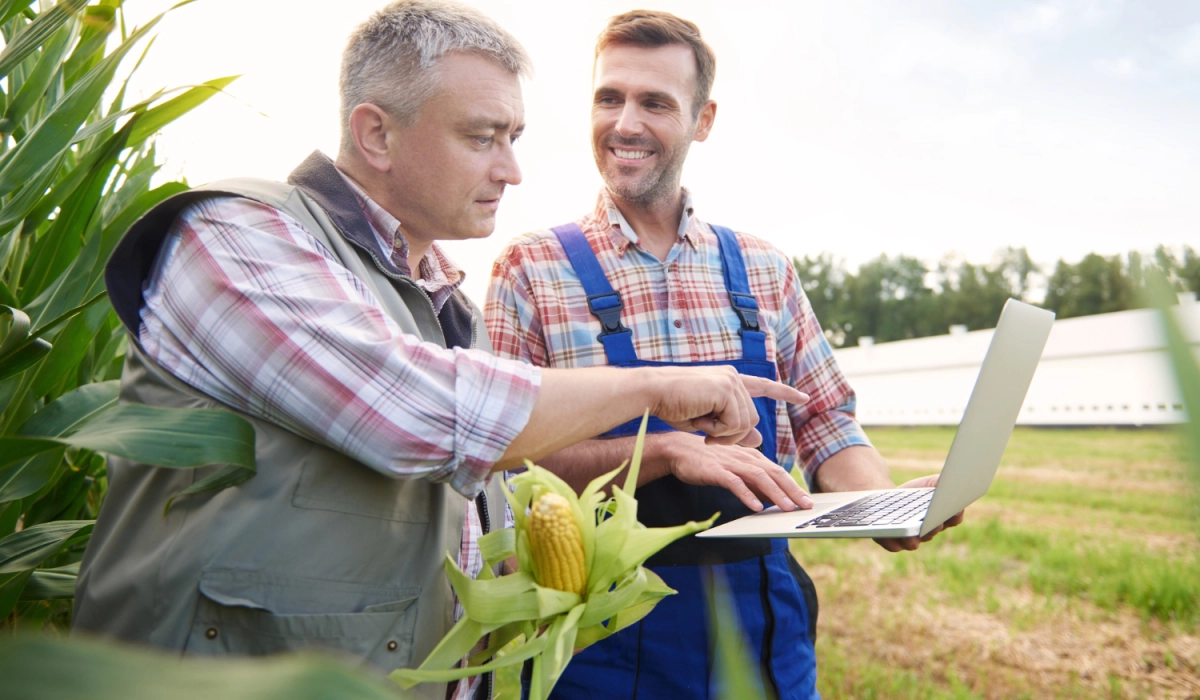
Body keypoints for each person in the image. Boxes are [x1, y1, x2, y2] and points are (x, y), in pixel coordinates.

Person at [72, 4, 808, 700]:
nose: (511, 170)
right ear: (377, 136)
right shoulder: (236, 238)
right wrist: (653, 394)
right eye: (483, 137)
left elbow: (480, 502)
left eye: (514, 138)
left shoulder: (445, 307)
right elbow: (419, 414)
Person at [485, 10, 964, 699]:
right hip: (601, 637)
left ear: (703, 120)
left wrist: (881, 506)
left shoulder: (762, 268)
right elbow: (506, 458)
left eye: (655, 102)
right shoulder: (532, 268)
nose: (625, 123)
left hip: (765, 625)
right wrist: (663, 453)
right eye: (608, 97)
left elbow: (827, 421)